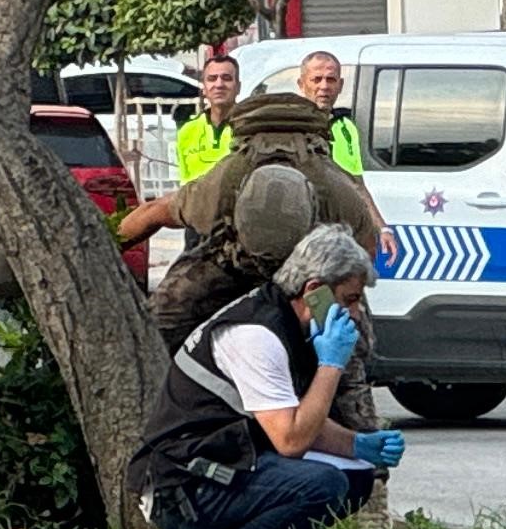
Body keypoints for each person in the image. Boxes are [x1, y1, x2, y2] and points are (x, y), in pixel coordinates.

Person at [130, 223, 405, 529]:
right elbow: (290, 440)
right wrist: (331, 366)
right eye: (349, 300)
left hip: (221, 462)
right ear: (314, 290)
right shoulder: (257, 336)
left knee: (359, 475)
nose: (355, 313)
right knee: (324, 484)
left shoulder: (290, 324)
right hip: (182, 487)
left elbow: (291, 416)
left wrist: (357, 445)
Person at [123, 70, 384, 354]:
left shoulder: (229, 175)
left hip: (239, 265)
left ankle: (154, 390)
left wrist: (108, 248)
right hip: (311, 279)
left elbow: (153, 212)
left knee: (160, 326)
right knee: (348, 350)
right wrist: (339, 294)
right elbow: (366, 247)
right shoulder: (332, 182)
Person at [171, 46, 245, 188]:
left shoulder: (250, 129)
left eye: (227, 78)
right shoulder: (188, 132)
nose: (219, 84)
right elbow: (184, 185)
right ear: (204, 88)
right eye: (212, 79)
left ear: (238, 87)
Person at [295, 49, 369, 177]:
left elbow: (356, 179)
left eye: (331, 79)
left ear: (340, 85)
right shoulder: (291, 127)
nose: (324, 86)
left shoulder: (346, 126)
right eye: (316, 79)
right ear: (301, 84)